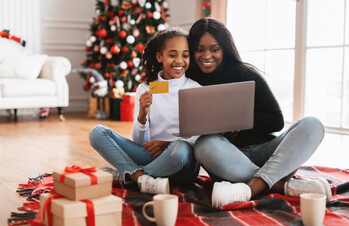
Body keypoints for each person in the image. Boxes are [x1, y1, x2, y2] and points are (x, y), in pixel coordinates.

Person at [186, 18, 331, 208]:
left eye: (214, 49)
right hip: (228, 159)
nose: (207, 56)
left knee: (312, 124)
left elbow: (276, 120)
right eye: (199, 49)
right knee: (204, 145)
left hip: (266, 151)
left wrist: (235, 121)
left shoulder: (245, 73)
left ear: (224, 49)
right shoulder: (188, 81)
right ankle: (279, 185)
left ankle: (251, 188)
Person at [89, 27, 201, 195]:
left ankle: (129, 175)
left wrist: (167, 144)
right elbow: (141, 141)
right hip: (150, 156)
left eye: (185, 55)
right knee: (97, 133)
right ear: (159, 57)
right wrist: (142, 114)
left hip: (182, 162)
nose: (179, 61)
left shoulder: (195, 88)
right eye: (172, 55)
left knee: (180, 150)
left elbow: (198, 138)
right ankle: (141, 179)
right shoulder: (146, 88)